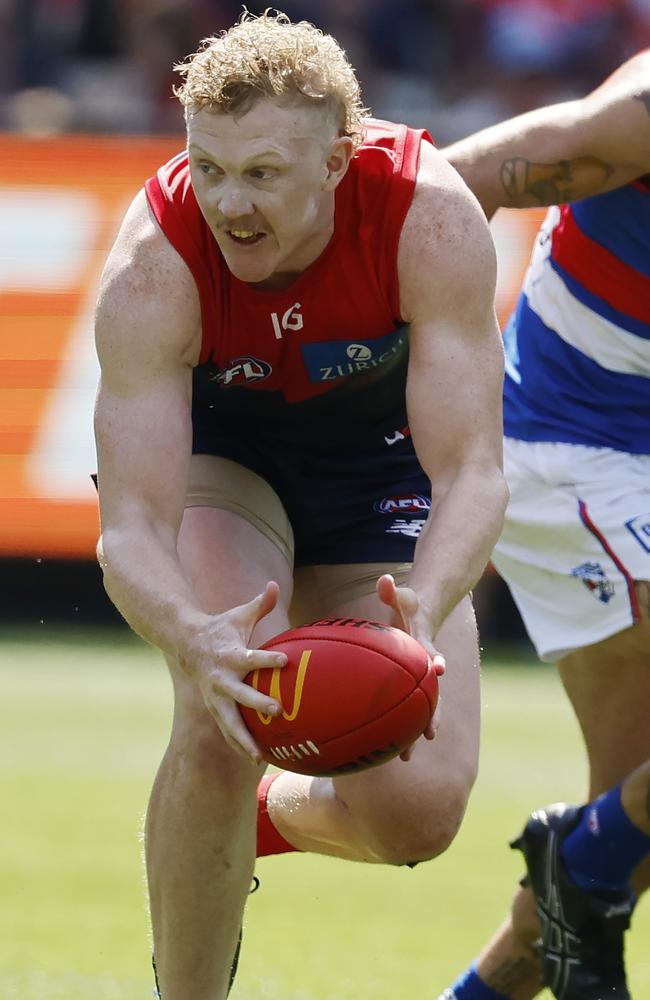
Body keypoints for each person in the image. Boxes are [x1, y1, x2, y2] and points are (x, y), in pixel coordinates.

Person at [92, 10, 507, 1000]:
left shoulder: (428, 214)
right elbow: (131, 530)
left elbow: (474, 472)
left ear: (336, 162)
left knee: (419, 817)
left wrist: (429, 602)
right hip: (224, 462)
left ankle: (258, 814)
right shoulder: (153, 264)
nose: (228, 202)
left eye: (262, 174)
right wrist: (190, 636)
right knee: (222, 703)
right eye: (210, 167)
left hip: (381, 469)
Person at [437, 49, 650, 1000]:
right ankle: (588, 862)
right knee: (614, 849)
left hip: (622, 456)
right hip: (572, 452)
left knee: (627, 836)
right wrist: (431, 375)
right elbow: (457, 185)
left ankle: (586, 866)